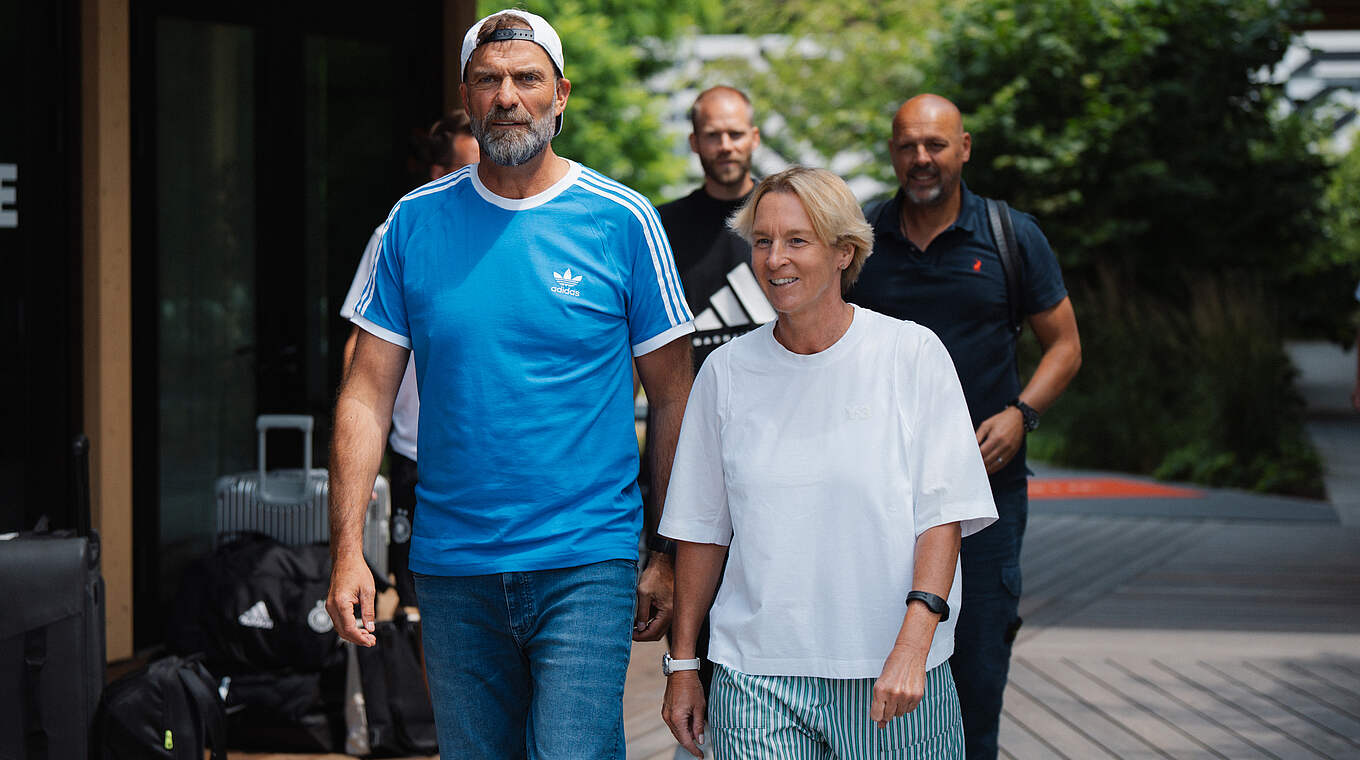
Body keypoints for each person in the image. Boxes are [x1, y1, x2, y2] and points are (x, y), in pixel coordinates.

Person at [325, 9, 696, 759]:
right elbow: (363, 396)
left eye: (526, 78)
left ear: (560, 95)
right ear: (467, 95)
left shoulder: (622, 220)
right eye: (488, 80)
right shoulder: (412, 224)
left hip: (585, 557)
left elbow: (676, 397)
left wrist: (664, 552)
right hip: (454, 564)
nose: (507, 96)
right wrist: (345, 551)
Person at [660, 166, 998, 759]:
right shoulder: (725, 372)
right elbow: (701, 530)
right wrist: (683, 662)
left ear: (845, 251)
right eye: (762, 241)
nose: (774, 259)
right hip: (754, 675)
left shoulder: (911, 354)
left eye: (797, 240)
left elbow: (944, 516)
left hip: (889, 673)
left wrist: (914, 647)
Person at [848, 94, 1082, 760]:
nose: (921, 159)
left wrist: (1022, 413)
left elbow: (1065, 344)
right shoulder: (862, 238)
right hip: (882, 497)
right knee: (877, 669)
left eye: (936, 145)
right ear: (892, 151)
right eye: (907, 146)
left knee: (977, 669)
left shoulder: (1011, 235)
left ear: (965, 148)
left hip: (986, 495)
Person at [648, 86, 772, 704]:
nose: (725, 145)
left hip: (781, 445)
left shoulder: (782, 219)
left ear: (754, 136)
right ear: (695, 142)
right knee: (702, 615)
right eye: (712, 134)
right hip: (698, 447)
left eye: (736, 132)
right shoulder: (664, 228)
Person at [336, 110, 480, 613]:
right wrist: (363, 467)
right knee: (423, 605)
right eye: (471, 165)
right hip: (420, 457)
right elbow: (361, 352)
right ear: (441, 174)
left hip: (499, 463)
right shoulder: (400, 231)